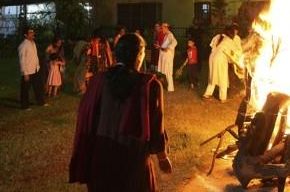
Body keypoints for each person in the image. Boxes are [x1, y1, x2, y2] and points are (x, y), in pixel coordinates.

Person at [69, 33, 172, 191]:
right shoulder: (150, 85)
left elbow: (87, 118)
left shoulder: (98, 80)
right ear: (139, 55)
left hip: (101, 157)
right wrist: (162, 157)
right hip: (133, 159)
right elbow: (156, 126)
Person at [203, 26, 242, 103]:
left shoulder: (219, 37)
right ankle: (223, 98)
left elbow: (212, 47)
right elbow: (237, 51)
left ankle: (207, 94)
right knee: (223, 77)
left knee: (213, 76)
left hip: (212, 57)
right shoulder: (229, 40)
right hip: (220, 59)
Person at [18, 27, 47, 109]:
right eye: (30, 32)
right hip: (27, 71)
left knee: (38, 87)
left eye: (33, 32)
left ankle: (40, 102)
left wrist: (37, 66)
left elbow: (34, 56)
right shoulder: (23, 45)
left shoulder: (33, 43)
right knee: (25, 89)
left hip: (35, 69)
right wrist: (25, 73)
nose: (33, 33)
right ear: (25, 35)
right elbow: (22, 60)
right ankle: (25, 106)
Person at [157, 23, 177, 92]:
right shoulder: (166, 35)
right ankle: (169, 87)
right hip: (165, 56)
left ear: (166, 28)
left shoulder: (170, 35)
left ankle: (171, 88)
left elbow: (175, 42)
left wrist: (168, 48)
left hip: (168, 56)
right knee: (166, 72)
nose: (161, 29)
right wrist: (160, 47)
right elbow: (164, 46)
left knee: (168, 71)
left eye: (162, 28)